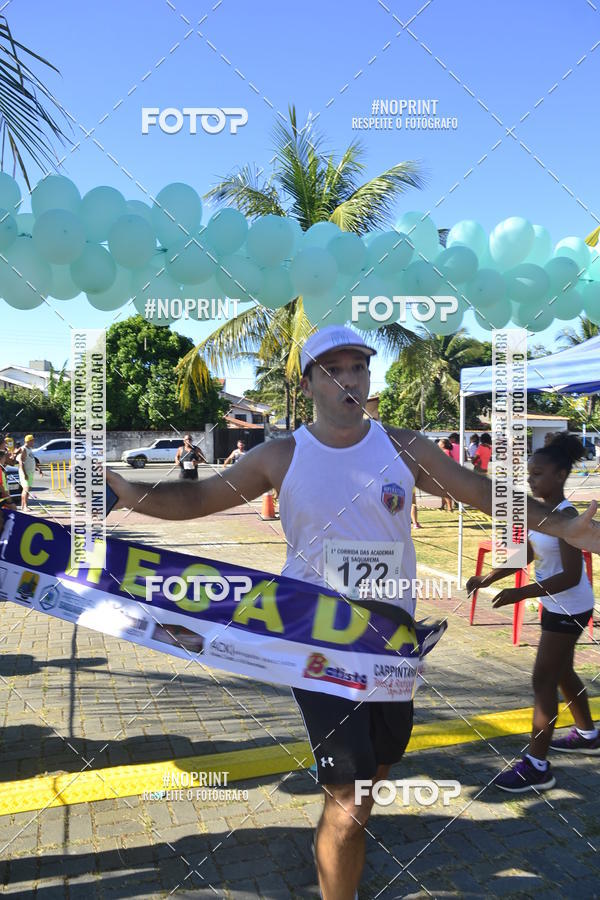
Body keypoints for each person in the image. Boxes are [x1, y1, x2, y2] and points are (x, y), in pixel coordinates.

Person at [106, 325, 600, 900]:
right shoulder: (279, 455)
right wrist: (129, 491)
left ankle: (344, 859)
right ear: (310, 381)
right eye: (333, 369)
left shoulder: (405, 447)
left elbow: (480, 492)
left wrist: (565, 526)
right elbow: (195, 499)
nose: (349, 379)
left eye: (359, 367)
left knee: (376, 777)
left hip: (393, 646)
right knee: (349, 800)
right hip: (314, 641)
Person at [466, 434, 598, 793]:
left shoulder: (567, 516)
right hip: (556, 605)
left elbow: (571, 575)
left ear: (559, 476)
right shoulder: (540, 513)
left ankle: (537, 766)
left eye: (537, 474)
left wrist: (520, 593)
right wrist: (489, 577)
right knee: (562, 671)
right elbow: (524, 554)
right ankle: (588, 733)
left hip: (569, 607)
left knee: (543, 681)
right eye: (529, 473)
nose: (530, 479)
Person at [16, 434, 43, 513]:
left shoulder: (30, 449)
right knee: (26, 490)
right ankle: (24, 507)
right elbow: (21, 462)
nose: (33, 442)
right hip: (26, 473)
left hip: (30, 472)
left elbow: (32, 460)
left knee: (27, 489)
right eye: (32, 440)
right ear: (28, 441)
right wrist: (25, 474)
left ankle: (23, 505)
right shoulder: (24, 449)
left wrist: (39, 469)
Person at [437, 439, 455, 512]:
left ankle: (450, 508)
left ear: (443, 445)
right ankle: (442, 506)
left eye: (439, 443)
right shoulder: (443, 452)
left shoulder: (446, 452)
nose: (438, 444)